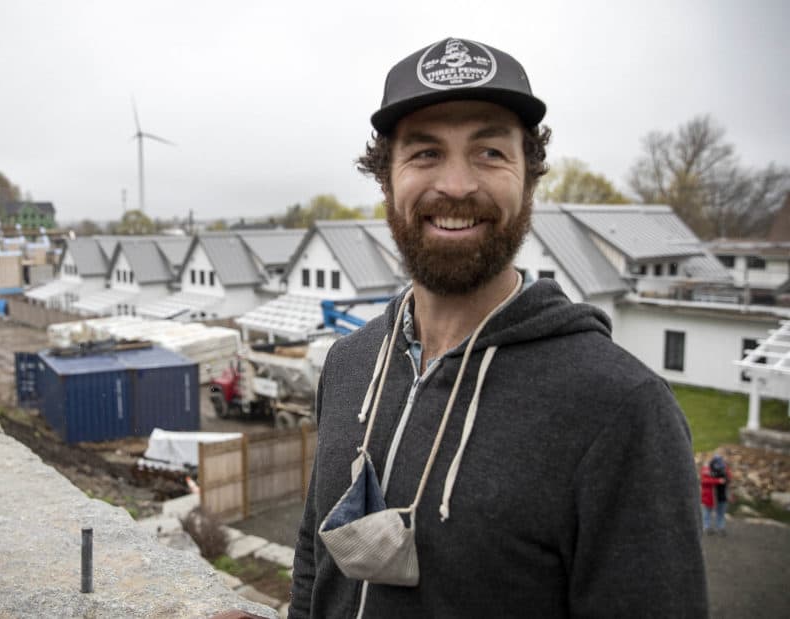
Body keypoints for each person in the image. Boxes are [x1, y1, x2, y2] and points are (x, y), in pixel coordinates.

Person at [290, 37, 707, 618]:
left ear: (529, 178)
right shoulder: (348, 364)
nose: (457, 186)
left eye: (489, 152)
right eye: (425, 153)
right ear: (386, 179)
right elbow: (314, 562)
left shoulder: (621, 409)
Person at [701, 453, 730, 535]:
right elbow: (704, 481)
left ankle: (720, 528)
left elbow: (729, 478)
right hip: (709, 496)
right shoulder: (706, 469)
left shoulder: (724, 468)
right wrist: (717, 480)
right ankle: (707, 528)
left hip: (722, 495)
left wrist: (726, 478)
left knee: (721, 513)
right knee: (707, 513)